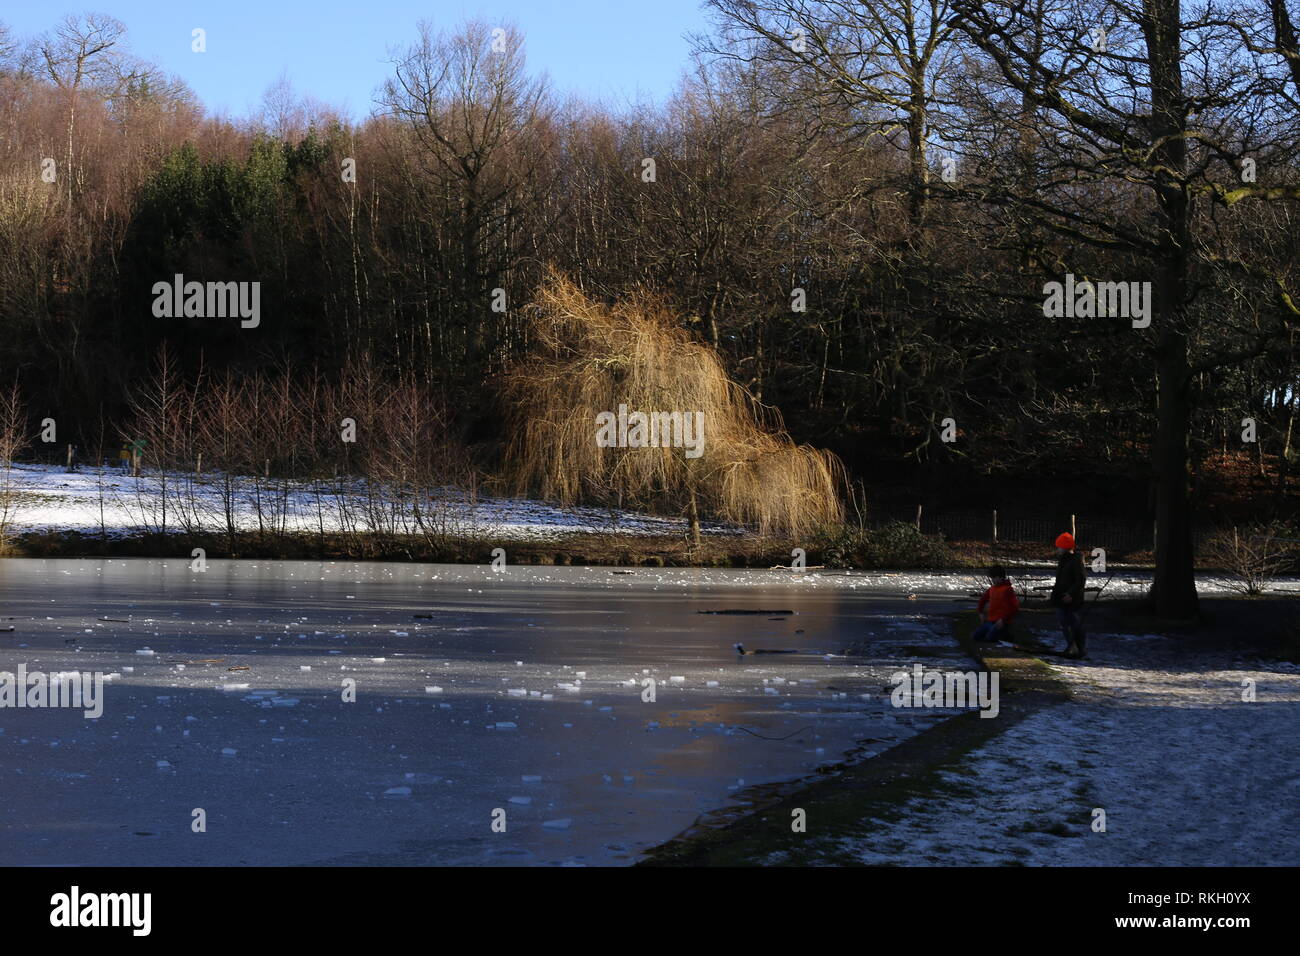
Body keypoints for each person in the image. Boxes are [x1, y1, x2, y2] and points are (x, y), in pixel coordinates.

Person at [1050, 532, 1087, 658]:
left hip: (1072, 599)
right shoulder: (1064, 560)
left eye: (1059, 547)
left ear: (1065, 547)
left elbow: (1081, 580)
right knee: (1064, 623)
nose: (1057, 549)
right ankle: (1072, 646)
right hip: (1062, 597)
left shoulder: (1076, 560)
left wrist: (1071, 593)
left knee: (1074, 624)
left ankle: (1079, 648)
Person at [973, 565, 1019, 642]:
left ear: (1001, 577)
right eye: (992, 578)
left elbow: (1014, 607)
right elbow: (982, 600)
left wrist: (1003, 620)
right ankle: (999, 635)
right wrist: (980, 612)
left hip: (1003, 622)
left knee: (989, 638)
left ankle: (1006, 636)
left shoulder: (1008, 589)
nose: (993, 580)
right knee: (975, 636)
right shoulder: (992, 589)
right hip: (991, 621)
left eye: (994, 577)